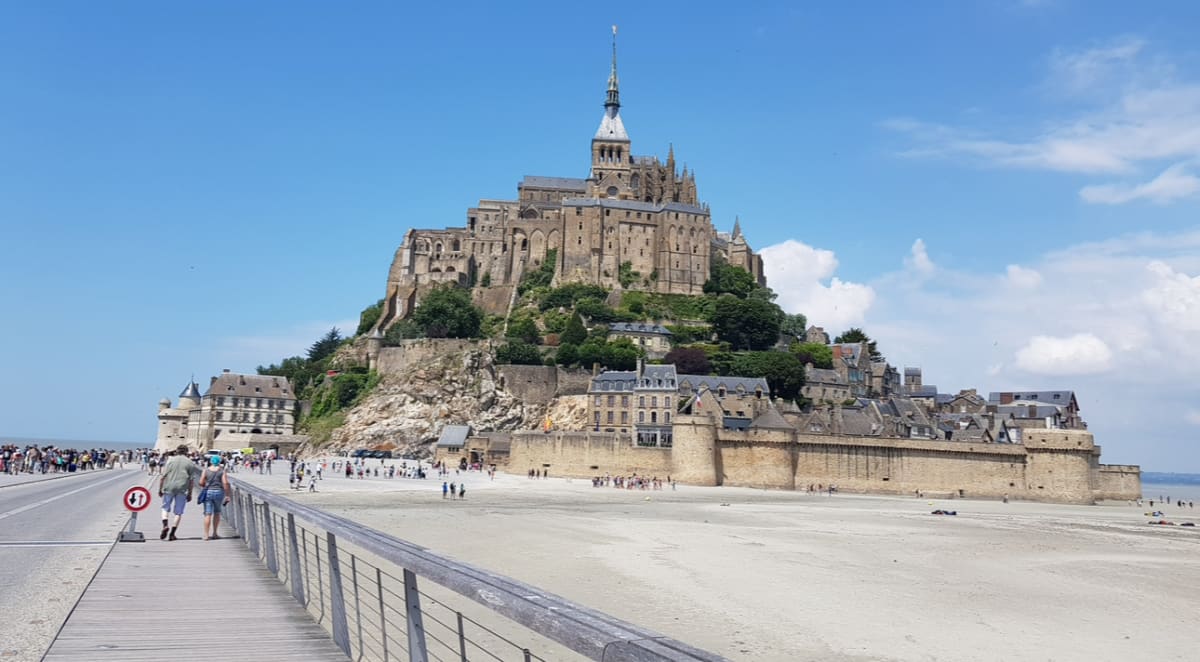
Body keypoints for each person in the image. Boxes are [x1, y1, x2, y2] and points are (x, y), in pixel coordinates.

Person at [159, 445, 200, 541]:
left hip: (169, 487)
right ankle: (172, 533)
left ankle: (165, 525)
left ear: (177, 451)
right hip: (182, 488)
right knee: (179, 512)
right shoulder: (190, 463)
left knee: (165, 508)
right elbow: (191, 480)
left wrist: (160, 489)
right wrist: (190, 493)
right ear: (186, 452)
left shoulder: (170, 460)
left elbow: (162, 476)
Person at [198, 455, 231, 541]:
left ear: (211, 462)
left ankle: (206, 535)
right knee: (217, 512)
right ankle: (215, 533)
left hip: (208, 492)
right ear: (219, 462)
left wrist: (205, 485)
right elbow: (225, 483)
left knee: (207, 514)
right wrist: (227, 495)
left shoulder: (206, 470)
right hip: (219, 492)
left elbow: (201, 482)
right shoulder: (222, 471)